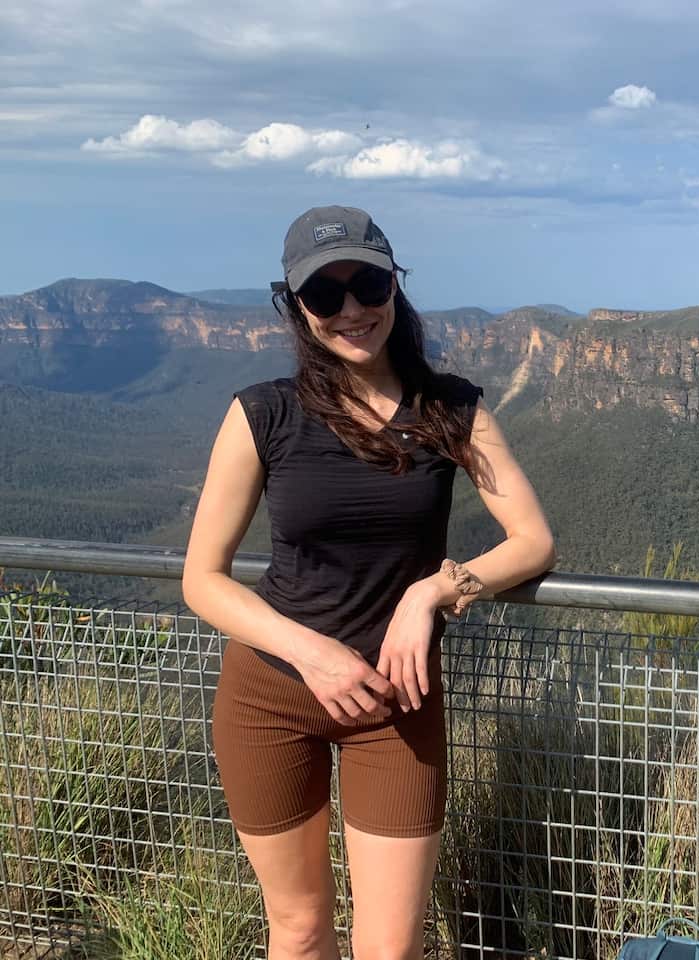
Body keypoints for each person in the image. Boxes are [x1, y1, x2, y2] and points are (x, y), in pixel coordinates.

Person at [182, 205, 555, 960]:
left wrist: (433, 592)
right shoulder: (265, 414)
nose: (352, 310)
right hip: (271, 697)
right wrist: (314, 655)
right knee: (298, 928)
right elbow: (203, 579)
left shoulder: (451, 409)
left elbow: (533, 541)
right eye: (325, 295)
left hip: (396, 700)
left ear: (396, 286)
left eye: (369, 285)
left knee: (391, 948)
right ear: (296, 308)